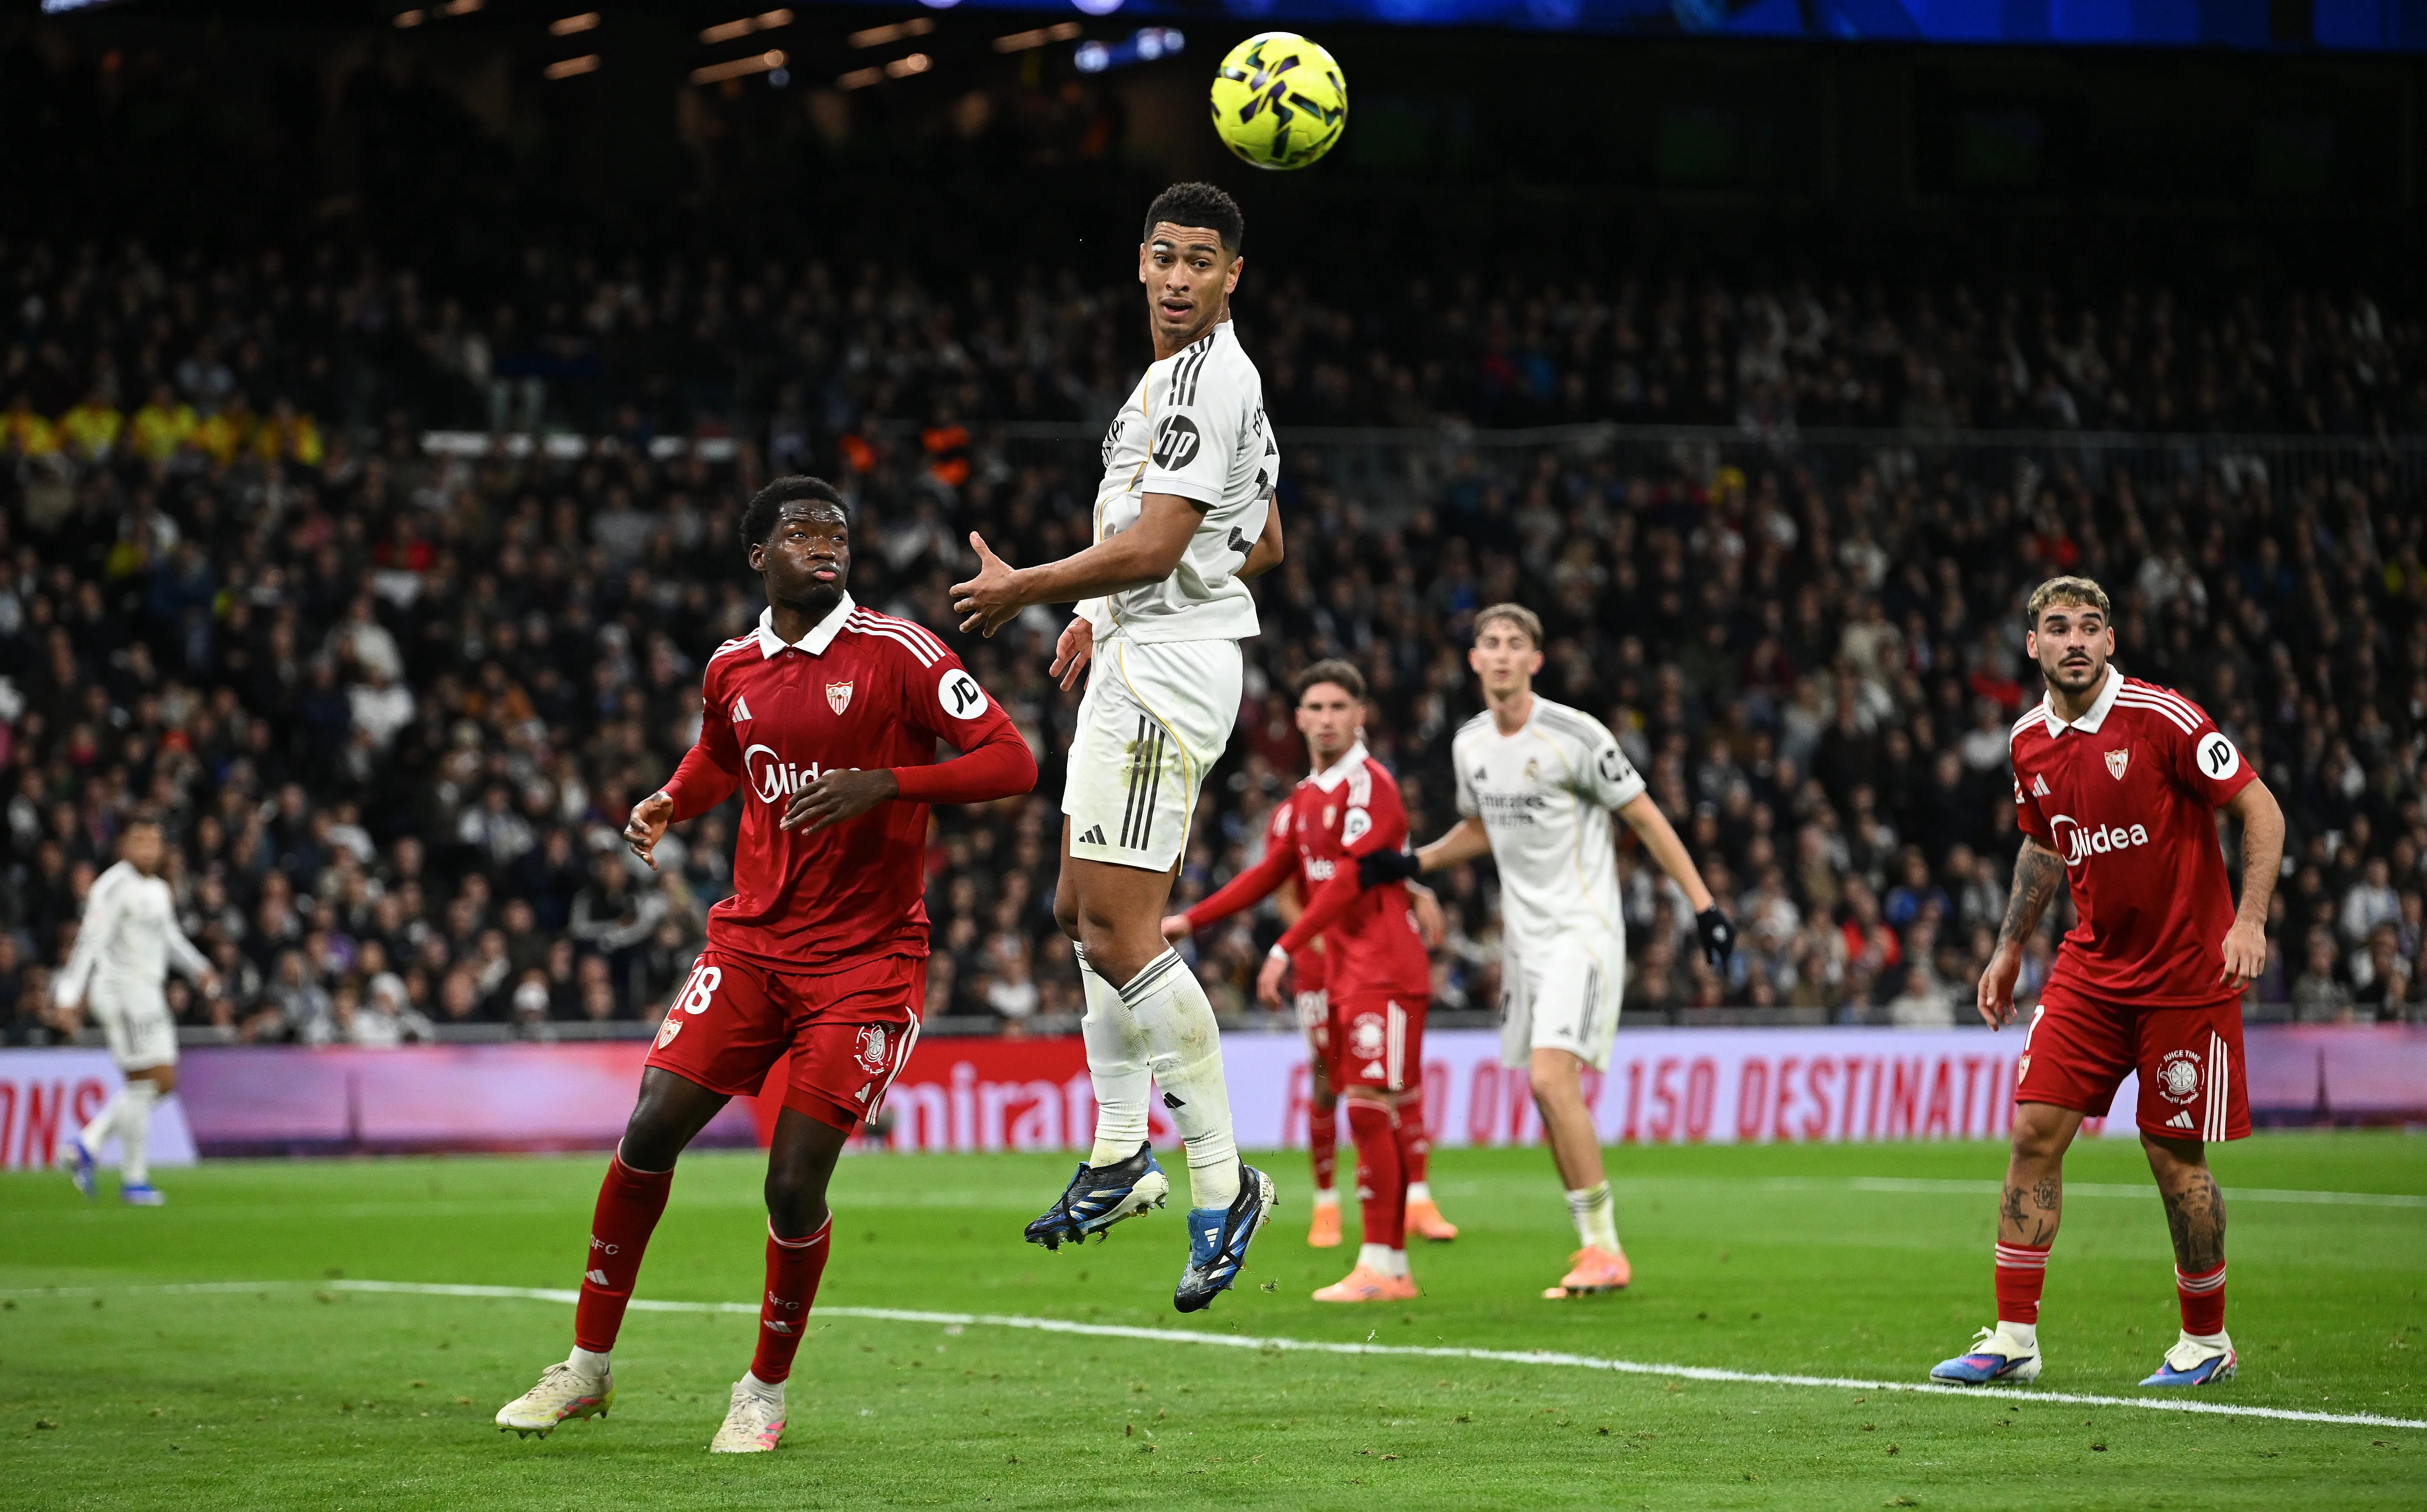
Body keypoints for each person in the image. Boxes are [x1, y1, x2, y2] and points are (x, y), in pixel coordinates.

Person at [495, 477, 1036, 1453]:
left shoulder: (902, 654)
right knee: (650, 1126)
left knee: (791, 1185)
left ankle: (763, 1392)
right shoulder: (731, 667)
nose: (822, 543)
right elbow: (720, 756)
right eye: (798, 531)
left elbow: (1011, 760)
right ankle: (584, 1368)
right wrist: (669, 798)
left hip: (866, 965)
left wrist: (889, 782)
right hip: (749, 947)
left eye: (835, 532)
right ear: (759, 557)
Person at [949, 182, 1286, 1313]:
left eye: (1203, 260)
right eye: (1164, 257)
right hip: (1141, 651)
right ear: (1139, 264)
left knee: (1123, 925)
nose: (1181, 276)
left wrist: (1038, 591)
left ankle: (1220, 1185)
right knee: (1075, 915)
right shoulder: (1172, 383)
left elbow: (1154, 543)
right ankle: (1117, 1151)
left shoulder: (1208, 377)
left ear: (1233, 273)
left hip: (1167, 672)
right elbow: (1264, 538)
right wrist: (1105, 611)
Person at [1932, 575, 2282, 1390]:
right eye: (2058, 628)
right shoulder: (2027, 741)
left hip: (2184, 976)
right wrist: (2007, 947)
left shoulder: (2163, 718)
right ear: (2033, 646)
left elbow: (2260, 810)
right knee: (2032, 1134)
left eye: (2090, 626)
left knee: (2171, 1157)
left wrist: (2250, 920)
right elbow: (2042, 843)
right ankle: (2014, 1338)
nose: (2076, 640)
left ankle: (2206, 1341)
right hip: (2090, 971)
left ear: (2111, 640)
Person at [1358, 604, 1735, 1300]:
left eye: (1514, 645)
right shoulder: (1470, 743)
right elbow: (1481, 828)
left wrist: (1703, 904)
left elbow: (1644, 815)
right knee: (1542, 1090)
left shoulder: (1574, 734)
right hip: (1523, 942)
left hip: (1582, 931)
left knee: (1549, 1079)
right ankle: (1596, 1248)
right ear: (1472, 660)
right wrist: (1414, 862)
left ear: (1536, 659)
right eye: (1489, 644)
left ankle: (1605, 1249)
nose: (1501, 655)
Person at [1164, 661, 1458, 1302]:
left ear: (1360, 716)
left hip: (1386, 965)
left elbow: (1349, 879)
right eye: (1314, 707)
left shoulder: (1369, 787)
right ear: (1297, 718)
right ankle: (1387, 1264)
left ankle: (1384, 1263)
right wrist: (1189, 918)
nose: (1326, 718)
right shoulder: (1302, 800)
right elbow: (1268, 873)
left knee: (1373, 1105)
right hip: (1352, 970)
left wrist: (1284, 945)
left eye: (1338, 706)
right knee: (1365, 1104)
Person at [52, 819, 219, 1205]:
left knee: (149, 1085)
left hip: (148, 991)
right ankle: (102, 1155)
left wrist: (199, 969)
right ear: (124, 845)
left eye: (154, 841)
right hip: (121, 990)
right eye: (139, 840)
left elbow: (170, 938)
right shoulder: (113, 886)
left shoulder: (159, 889)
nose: (148, 849)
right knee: (156, 1078)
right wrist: (67, 995)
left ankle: (119, 1169)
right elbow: (89, 943)